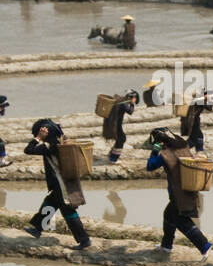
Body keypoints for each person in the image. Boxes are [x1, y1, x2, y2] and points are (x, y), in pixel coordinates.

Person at [23, 119, 91, 250]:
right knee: (49, 203)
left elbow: (28, 150)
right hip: (63, 182)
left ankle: (84, 240)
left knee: (68, 211)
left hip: (60, 183)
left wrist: (38, 138)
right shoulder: (63, 143)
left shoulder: (48, 147)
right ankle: (38, 228)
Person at [146, 127, 212, 261]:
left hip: (178, 193)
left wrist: (155, 151)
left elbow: (150, 166)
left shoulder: (165, 155)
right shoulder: (183, 147)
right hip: (188, 189)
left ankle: (204, 245)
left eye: (157, 143)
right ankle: (166, 246)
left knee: (182, 221)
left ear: (161, 142)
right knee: (169, 216)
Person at [103, 88, 139, 164]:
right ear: (130, 97)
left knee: (120, 139)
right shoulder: (123, 103)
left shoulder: (120, 100)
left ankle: (111, 154)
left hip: (114, 123)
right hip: (116, 124)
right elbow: (130, 111)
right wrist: (132, 104)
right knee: (121, 139)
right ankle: (113, 159)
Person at [180, 88, 213, 154]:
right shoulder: (199, 100)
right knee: (193, 140)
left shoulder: (198, 99)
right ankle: (181, 151)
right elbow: (210, 108)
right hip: (193, 121)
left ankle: (198, 153)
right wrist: (210, 100)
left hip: (192, 120)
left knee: (199, 137)